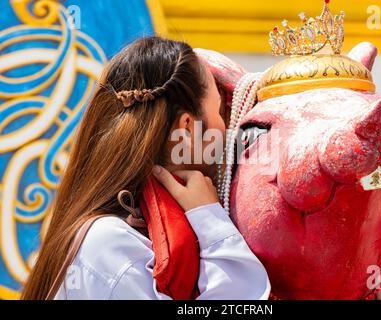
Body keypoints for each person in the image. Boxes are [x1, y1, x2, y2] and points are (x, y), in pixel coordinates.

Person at [21, 37, 270, 300]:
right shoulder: (108, 245)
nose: (228, 128)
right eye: (220, 111)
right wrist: (212, 224)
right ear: (186, 127)